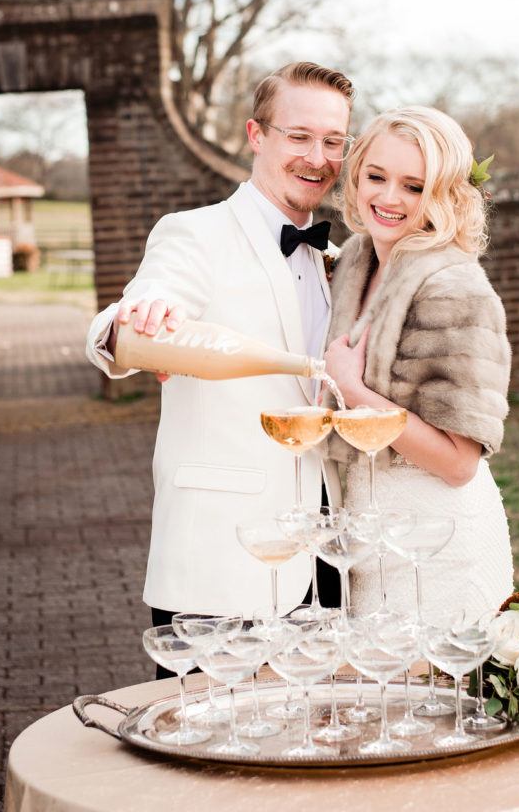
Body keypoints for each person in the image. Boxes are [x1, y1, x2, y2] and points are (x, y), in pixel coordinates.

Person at [86, 61, 353, 633]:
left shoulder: (333, 258)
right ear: (257, 136)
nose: (318, 156)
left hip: (322, 564)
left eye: (333, 141)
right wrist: (132, 321)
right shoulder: (194, 234)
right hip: (221, 561)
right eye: (299, 136)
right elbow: (137, 309)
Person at [323, 105, 513, 624]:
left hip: (439, 540)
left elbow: (459, 463)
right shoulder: (352, 265)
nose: (388, 198)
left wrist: (354, 391)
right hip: (367, 534)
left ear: (445, 194)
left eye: (413, 185)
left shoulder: (455, 288)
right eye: (376, 176)